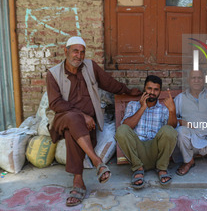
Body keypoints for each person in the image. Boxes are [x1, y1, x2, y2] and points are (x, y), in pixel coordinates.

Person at [46, 36, 141, 206]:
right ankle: (97, 161)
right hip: (62, 118)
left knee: (72, 130)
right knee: (73, 118)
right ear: (66, 51)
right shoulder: (53, 73)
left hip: (86, 126)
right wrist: (83, 115)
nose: (79, 56)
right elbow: (55, 103)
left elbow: (109, 84)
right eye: (75, 51)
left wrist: (128, 91)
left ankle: (78, 183)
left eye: (82, 52)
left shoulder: (90, 66)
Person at [115, 75, 177, 189]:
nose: (152, 92)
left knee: (169, 130)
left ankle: (162, 168)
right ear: (144, 88)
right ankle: (138, 168)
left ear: (159, 92)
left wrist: (172, 111)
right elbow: (126, 126)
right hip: (137, 151)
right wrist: (142, 108)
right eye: (149, 88)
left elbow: (172, 129)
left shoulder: (163, 109)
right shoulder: (133, 105)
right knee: (121, 130)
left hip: (155, 150)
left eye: (156, 89)